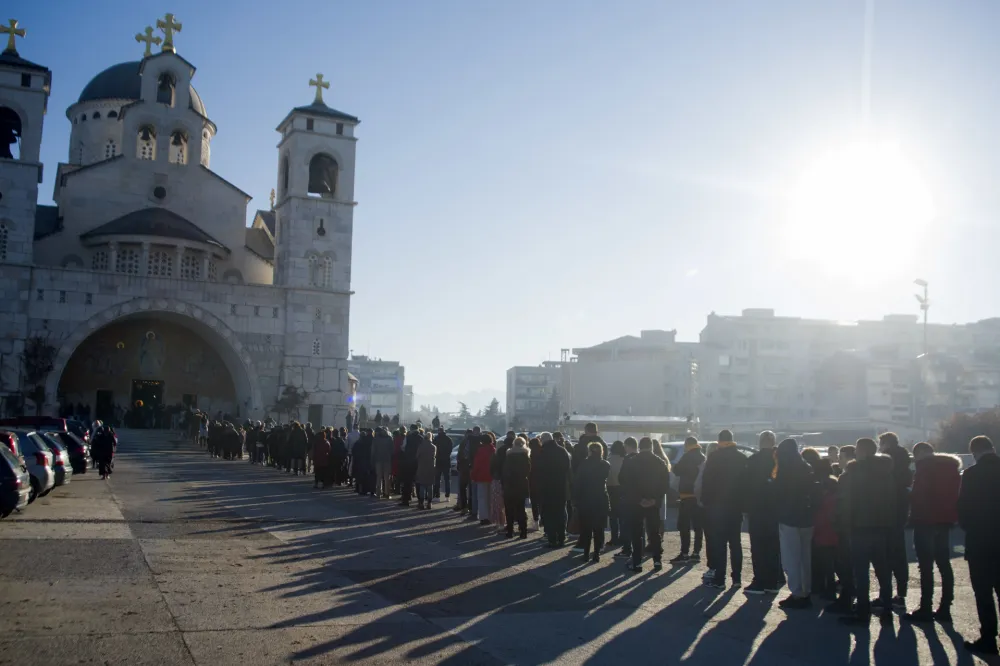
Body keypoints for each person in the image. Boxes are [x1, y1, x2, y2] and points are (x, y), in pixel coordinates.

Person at [838, 437, 896, 626]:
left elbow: (846, 503)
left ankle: (863, 611)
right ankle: (887, 608)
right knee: (883, 570)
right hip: (882, 527)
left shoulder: (853, 472)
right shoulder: (886, 471)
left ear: (861, 451)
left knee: (861, 572)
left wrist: (845, 526)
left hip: (859, 527)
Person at [905, 441, 960, 624]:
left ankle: (926, 607)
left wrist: (909, 499)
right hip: (945, 521)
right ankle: (945, 607)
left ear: (920, 453)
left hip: (925, 521)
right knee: (944, 564)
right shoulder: (951, 468)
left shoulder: (925, 468)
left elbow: (919, 495)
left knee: (926, 566)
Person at [958, 435, 1000, 657]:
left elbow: (963, 508)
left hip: (980, 541)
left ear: (974, 452)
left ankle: (989, 640)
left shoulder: (972, 474)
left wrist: (970, 528)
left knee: (983, 593)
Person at [773, 438, 818, 609]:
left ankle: (797, 592)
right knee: (805, 557)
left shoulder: (785, 469)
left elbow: (779, 494)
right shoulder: (806, 467)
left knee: (791, 558)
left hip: (789, 518)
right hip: (807, 518)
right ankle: (806, 590)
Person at [701, 430, 747, 589]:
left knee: (719, 543)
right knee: (735, 543)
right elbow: (746, 484)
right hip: (735, 507)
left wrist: (706, 502)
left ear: (719, 441)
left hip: (717, 507)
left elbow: (706, 482)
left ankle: (720, 579)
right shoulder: (741, 458)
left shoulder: (714, 457)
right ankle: (737, 578)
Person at [744, 431, 782, 595]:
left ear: (760, 442)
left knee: (758, 546)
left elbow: (745, 485)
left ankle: (759, 581)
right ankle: (772, 582)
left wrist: (745, 507)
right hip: (775, 509)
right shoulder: (779, 460)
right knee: (774, 546)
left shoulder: (752, 460)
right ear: (774, 442)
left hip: (757, 509)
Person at [878, 432, 913, 609]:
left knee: (885, 556)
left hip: (887, 513)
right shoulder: (905, 462)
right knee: (899, 554)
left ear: (886, 444)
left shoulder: (886, 463)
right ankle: (901, 593)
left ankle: (885, 596)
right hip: (900, 512)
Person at [574, 440, 611, 562]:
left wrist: (576, 499)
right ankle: (596, 554)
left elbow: (578, 482)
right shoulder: (605, 464)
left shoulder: (584, 464)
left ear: (589, 451)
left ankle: (585, 553)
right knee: (598, 528)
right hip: (600, 498)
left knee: (586, 528)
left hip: (585, 499)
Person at [671, 437, 705, 564]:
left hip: (686, 495)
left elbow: (677, 471)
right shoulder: (702, 457)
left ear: (687, 445)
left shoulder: (687, 457)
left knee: (684, 526)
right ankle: (696, 553)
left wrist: (674, 467)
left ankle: (684, 553)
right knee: (698, 526)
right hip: (698, 496)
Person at [534, 431, 571, 547]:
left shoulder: (543, 452)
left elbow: (538, 470)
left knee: (549, 515)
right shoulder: (562, 450)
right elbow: (567, 467)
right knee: (560, 513)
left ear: (543, 440)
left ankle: (552, 539)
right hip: (560, 487)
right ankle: (561, 537)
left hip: (547, 488)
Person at [614, 438, 640, 560]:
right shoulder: (641, 459)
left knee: (626, 523)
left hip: (628, 495)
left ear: (628, 446)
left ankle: (627, 549)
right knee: (639, 525)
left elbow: (621, 477)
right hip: (641, 496)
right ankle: (639, 549)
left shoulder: (628, 459)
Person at [502, 436, 531, 539]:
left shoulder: (509, 456)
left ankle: (510, 531)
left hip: (510, 486)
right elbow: (528, 470)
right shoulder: (525, 456)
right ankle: (523, 531)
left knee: (509, 510)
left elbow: (505, 471)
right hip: (521, 485)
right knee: (521, 509)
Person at [471, 433, 495, 525]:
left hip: (481, 477)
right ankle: (491, 516)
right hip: (492, 476)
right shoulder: (493, 450)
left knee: (482, 498)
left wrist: (473, 476)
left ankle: (484, 517)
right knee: (490, 498)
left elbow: (476, 464)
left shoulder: (480, 450)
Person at [606, 440, 626, 549]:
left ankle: (614, 538)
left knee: (613, 516)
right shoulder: (625, 460)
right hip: (622, 489)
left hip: (610, 489)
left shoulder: (608, 460)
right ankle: (623, 537)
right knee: (622, 515)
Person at [400, 425, 422, 506]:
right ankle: (420, 501)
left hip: (408, 461)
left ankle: (406, 500)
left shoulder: (408, 437)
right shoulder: (421, 438)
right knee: (418, 482)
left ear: (411, 429)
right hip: (418, 461)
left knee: (407, 482)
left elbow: (403, 447)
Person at [415, 431, 437, 510]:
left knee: (422, 485)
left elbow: (417, 456)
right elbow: (434, 456)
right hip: (431, 467)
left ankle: (421, 503)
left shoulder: (421, 446)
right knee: (430, 485)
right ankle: (429, 503)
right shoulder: (433, 447)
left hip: (422, 467)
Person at [371, 426, 394, 498]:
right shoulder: (390, 438)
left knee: (379, 477)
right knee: (387, 477)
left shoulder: (376, 439)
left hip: (378, 459)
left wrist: (372, 459)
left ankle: (378, 493)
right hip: (387, 459)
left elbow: (373, 450)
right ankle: (387, 493)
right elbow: (392, 450)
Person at [433, 427, 453, 501]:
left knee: (437, 480)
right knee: (447, 480)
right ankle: (447, 496)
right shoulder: (448, 439)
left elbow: (434, 450)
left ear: (438, 431)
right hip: (446, 462)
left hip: (438, 462)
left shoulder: (436, 439)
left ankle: (437, 496)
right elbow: (450, 450)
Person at [527, 436, 543, 531]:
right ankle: (542, 520)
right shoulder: (543, 454)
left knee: (534, 503)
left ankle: (536, 521)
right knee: (542, 502)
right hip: (542, 482)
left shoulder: (529, 456)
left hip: (532, 482)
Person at [455, 430, 472, 514]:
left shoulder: (463, 443)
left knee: (462, 489)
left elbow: (459, 456)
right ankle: (471, 507)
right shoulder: (475, 443)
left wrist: (458, 465)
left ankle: (464, 507)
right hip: (471, 468)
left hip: (463, 468)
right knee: (471, 489)